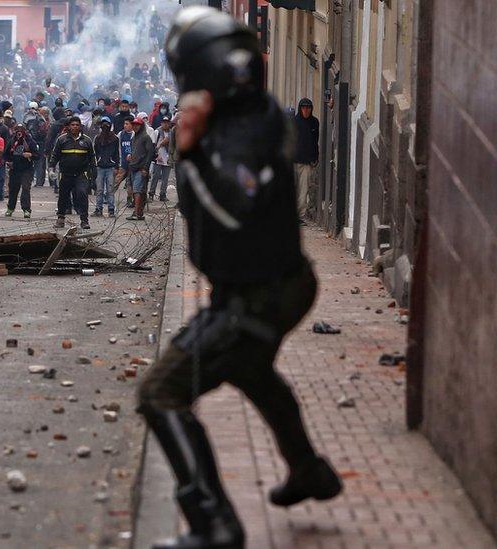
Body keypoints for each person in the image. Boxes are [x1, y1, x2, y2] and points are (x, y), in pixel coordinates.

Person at [137, 8, 343, 548]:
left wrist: (191, 154)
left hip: (262, 293)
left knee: (161, 393)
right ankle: (308, 471)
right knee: (252, 369)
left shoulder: (242, 132)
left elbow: (236, 206)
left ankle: (214, 524)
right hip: (269, 284)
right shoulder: (248, 114)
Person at [49, 116, 96, 230]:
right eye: (73, 125)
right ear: (69, 127)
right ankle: (60, 219)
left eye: (77, 125)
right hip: (65, 174)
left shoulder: (87, 141)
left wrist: (93, 175)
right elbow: (55, 155)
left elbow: (92, 158)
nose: (75, 127)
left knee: (82, 195)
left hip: (81, 175)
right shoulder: (61, 140)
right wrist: (51, 168)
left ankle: (84, 220)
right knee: (63, 196)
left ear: (80, 127)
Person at [4, 123, 40, 218]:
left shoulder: (30, 141)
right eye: (17, 130)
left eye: (21, 129)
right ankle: (10, 208)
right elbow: (6, 154)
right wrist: (9, 161)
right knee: (13, 189)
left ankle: (26, 209)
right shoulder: (12, 141)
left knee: (25, 189)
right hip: (14, 169)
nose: (19, 132)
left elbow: (37, 155)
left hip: (26, 169)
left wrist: (30, 155)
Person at [293, 97, 319, 223]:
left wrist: (315, 157)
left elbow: (315, 142)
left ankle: (298, 215)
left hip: (307, 163)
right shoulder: (294, 122)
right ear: (300, 108)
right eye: (303, 107)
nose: (306, 110)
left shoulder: (314, 123)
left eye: (308, 108)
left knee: (303, 190)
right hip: (293, 161)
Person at [126, 117, 155, 220]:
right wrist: (130, 156)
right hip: (133, 167)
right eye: (133, 124)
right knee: (137, 191)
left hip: (141, 168)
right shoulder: (133, 138)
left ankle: (136, 213)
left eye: (137, 125)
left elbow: (150, 153)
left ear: (141, 126)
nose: (135, 126)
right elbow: (135, 151)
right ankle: (139, 212)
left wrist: (145, 168)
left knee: (138, 191)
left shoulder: (145, 137)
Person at [92, 117, 119, 217]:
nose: (105, 126)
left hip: (110, 167)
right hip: (100, 167)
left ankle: (111, 210)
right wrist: (95, 163)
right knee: (99, 190)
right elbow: (95, 153)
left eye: (107, 124)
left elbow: (116, 153)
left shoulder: (115, 139)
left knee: (110, 190)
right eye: (103, 124)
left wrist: (116, 166)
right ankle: (98, 209)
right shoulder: (98, 138)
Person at [148, 116, 174, 202]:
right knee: (155, 177)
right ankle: (151, 193)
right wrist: (156, 154)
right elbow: (152, 145)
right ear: (161, 123)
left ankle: (162, 194)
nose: (165, 124)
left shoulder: (171, 133)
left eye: (167, 122)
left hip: (167, 158)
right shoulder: (157, 132)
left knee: (165, 178)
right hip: (158, 158)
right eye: (164, 122)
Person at [117, 118, 135, 208]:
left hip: (132, 164)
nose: (125, 126)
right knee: (116, 180)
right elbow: (118, 147)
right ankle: (107, 196)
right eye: (124, 124)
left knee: (129, 183)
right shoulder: (121, 134)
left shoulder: (135, 134)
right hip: (123, 163)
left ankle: (130, 199)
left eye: (127, 124)